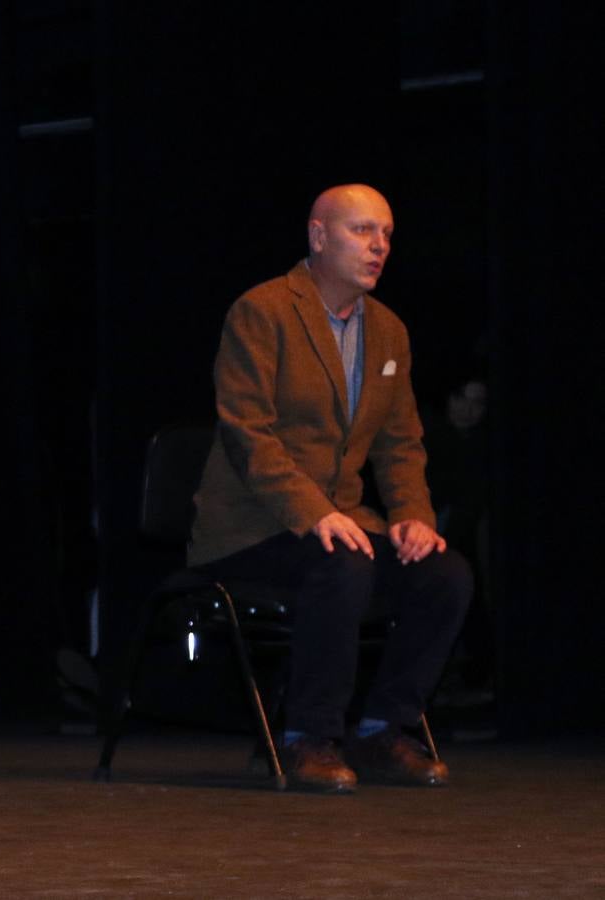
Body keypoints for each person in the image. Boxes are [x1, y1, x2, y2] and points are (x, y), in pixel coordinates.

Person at [187, 184, 472, 793]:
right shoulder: (262, 311)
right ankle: (308, 738)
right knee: (343, 563)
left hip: (341, 522)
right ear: (318, 237)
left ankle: (381, 730)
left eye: (388, 234)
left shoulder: (389, 332)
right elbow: (248, 434)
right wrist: (314, 513)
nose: (379, 247)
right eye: (362, 231)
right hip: (251, 526)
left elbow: (401, 444)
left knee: (444, 575)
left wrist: (414, 516)